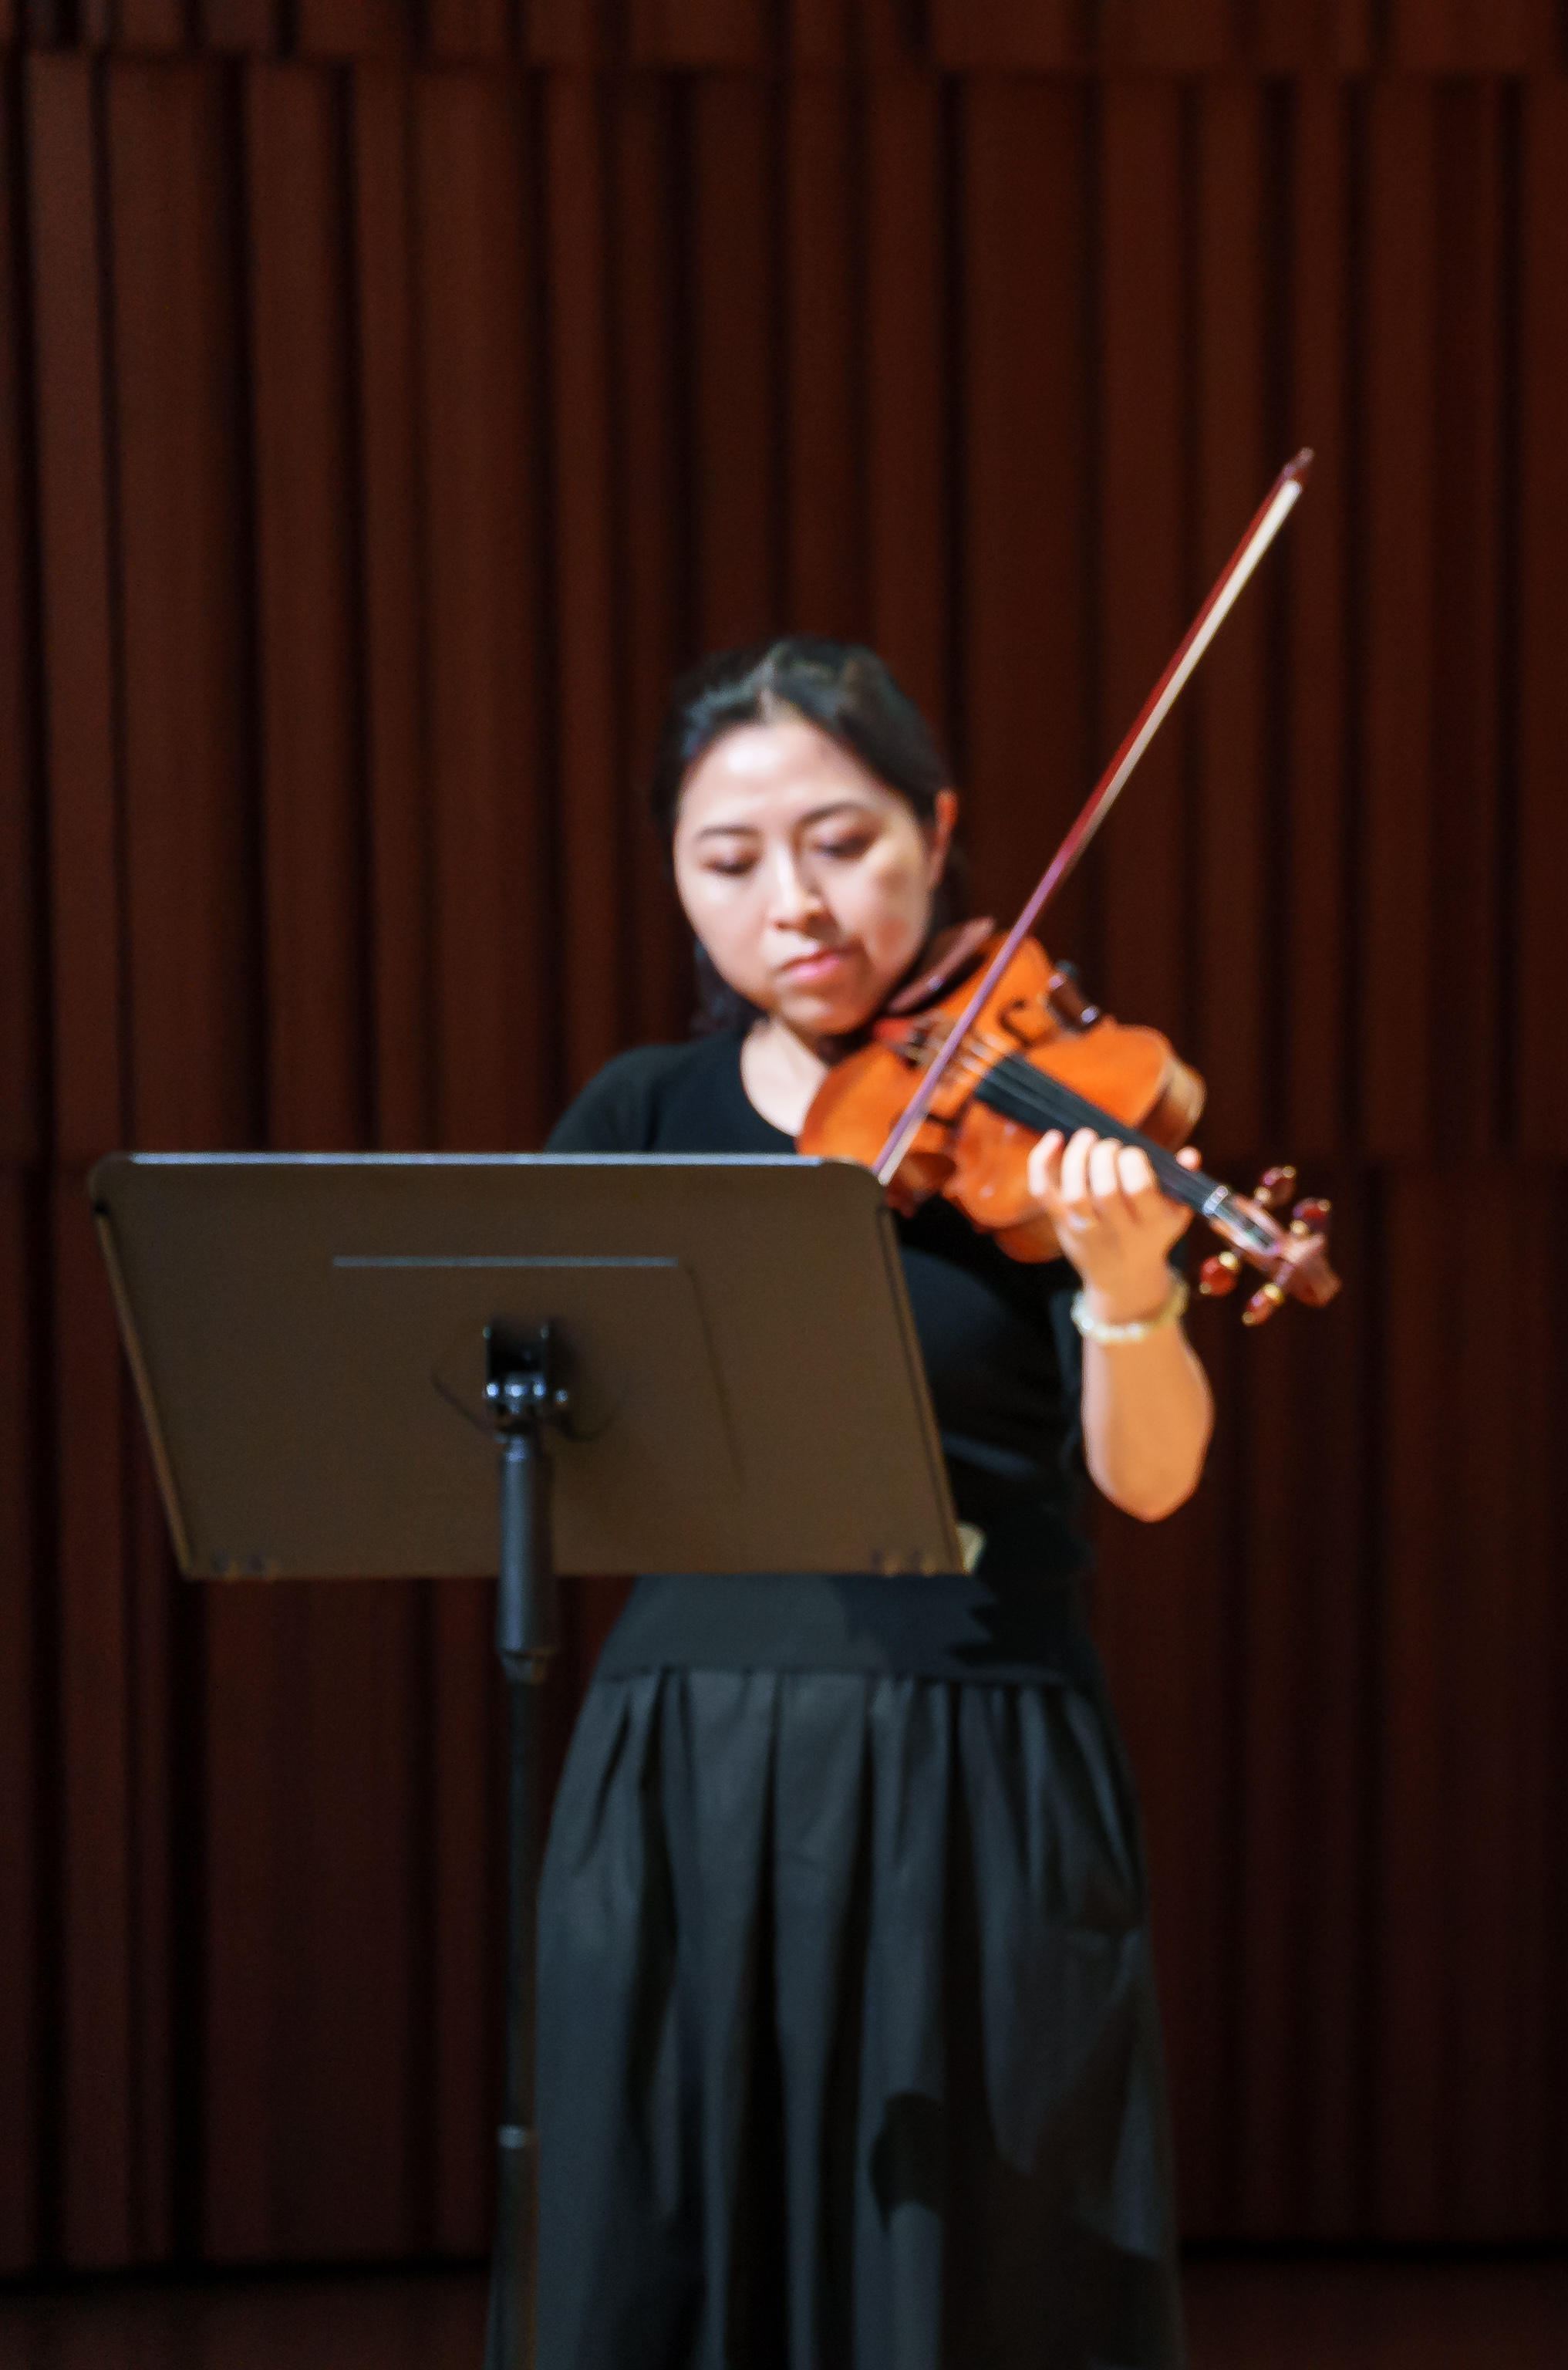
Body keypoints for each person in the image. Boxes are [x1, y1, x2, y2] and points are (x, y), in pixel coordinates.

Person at [535, 638, 1209, 2368]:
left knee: (976, 2277)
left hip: (973, 1747)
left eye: (844, 841)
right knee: (672, 2259)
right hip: (682, 1750)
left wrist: (1130, 1288)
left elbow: (1149, 1476)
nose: (795, 903)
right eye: (730, 861)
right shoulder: (639, 1116)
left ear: (939, 828)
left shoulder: (1055, 1115)